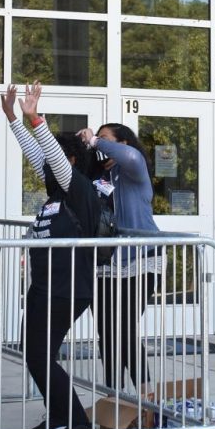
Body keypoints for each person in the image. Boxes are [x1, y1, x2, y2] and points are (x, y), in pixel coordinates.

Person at [1, 82, 100, 429]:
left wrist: (36, 119)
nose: (44, 165)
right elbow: (37, 156)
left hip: (67, 288)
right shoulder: (58, 194)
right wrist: (13, 120)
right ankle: (60, 416)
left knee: (40, 353)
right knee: (35, 352)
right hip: (45, 287)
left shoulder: (81, 191)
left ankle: (74, 424)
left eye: (55, 159)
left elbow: (53, 159)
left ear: (70, 162)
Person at [77, 123, 160, 393]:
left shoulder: (134, 170)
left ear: (122, 143)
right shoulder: (100, 176)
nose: (99, 144)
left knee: (124, 326)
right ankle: (114, 395)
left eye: (106, 139)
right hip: (106, 263)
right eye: (97, 139)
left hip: (140, 259)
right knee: (107, 329)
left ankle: (148, 399)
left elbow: (133, 156)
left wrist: (95, 142)